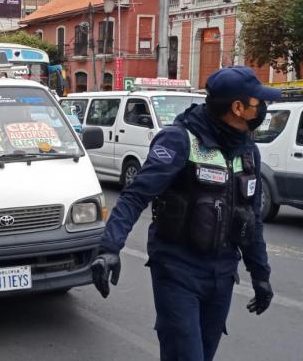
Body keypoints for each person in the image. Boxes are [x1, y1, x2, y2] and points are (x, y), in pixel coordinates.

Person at [90, 66, 279, 361]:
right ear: (238, 108)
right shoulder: (179, 140)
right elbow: (135, 196)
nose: (264, 108)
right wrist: (109, 248)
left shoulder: (248, 152)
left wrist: (261, 275)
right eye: (258, 102)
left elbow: (252, 218)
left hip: (222, 274)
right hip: (178, 271)